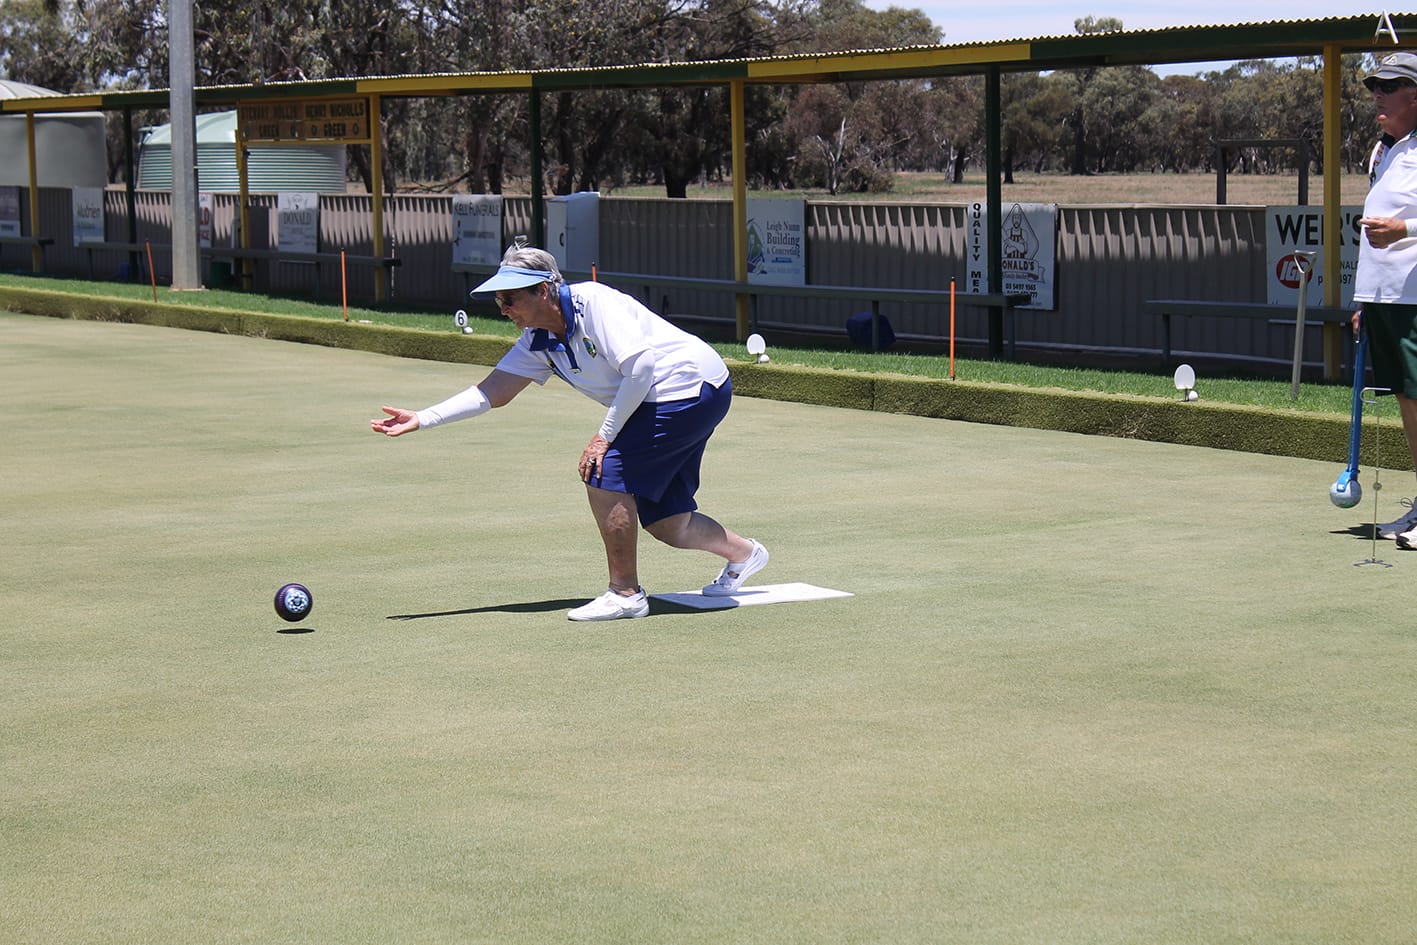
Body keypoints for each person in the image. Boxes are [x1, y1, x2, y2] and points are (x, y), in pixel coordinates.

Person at [371, 243, 769, 620]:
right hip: (672, 396)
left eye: (509, 299)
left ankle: (625, 594)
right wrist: (423, 417)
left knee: (603, 469)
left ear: (543, 290)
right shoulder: (537, 342)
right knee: (667, 521)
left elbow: (642, 368)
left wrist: (604, 436)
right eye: (498, 301)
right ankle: (744, 554)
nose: (503, 309)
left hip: (688, 386)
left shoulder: (594, 302)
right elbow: (492, 392)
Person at [1354, 51, 1417, 549]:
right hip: (1383, 299)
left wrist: (1404, 228)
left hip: (1414, 299)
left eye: (1389, 86)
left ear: (1415, 95)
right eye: (1375, 85)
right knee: (1407, 402)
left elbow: (1400, 227)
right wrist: (1365, 300)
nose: (1377, 93)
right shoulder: (1382, 151)